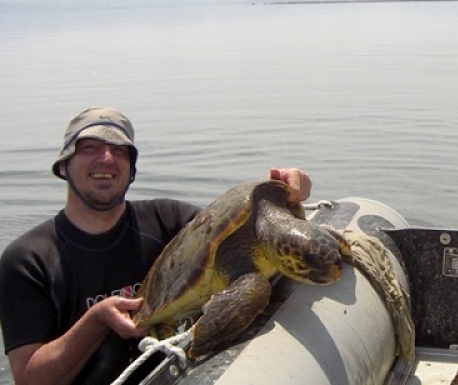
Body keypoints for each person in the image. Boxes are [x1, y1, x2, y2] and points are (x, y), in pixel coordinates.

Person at [0, 106, 313, 385]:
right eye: (89, 148)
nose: (106, 158)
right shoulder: (29, 259)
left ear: (132, 169)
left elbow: (247, 235)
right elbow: (29, 378)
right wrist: (95, 322)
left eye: (119, 151)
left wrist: (285, 193)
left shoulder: (168, 218)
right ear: (63, 166)